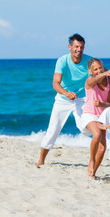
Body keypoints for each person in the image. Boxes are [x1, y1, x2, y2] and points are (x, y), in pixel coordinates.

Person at [37, 33, 92, 165]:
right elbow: (55, 83)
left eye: (82, 47)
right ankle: (41, 160)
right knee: (53, 130)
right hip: (63, 99)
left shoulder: (90, 61)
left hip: (82, 99)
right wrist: (66, 93)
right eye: (76, 46)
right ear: (70, 47)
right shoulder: (62, 61)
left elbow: (103, 74)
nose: (79, 50)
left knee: (86, 129)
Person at [80, 58, 110, 178]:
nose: (98, 70)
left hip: (103, 116)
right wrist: (104, 73)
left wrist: (101, 105)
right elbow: (95, 79)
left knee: (102, 148)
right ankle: (91, 160)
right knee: (97, 134)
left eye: (100, 67)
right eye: (95, 69)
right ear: (91, 71)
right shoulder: (90, 80)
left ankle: (93, 173)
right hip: (89, 114)